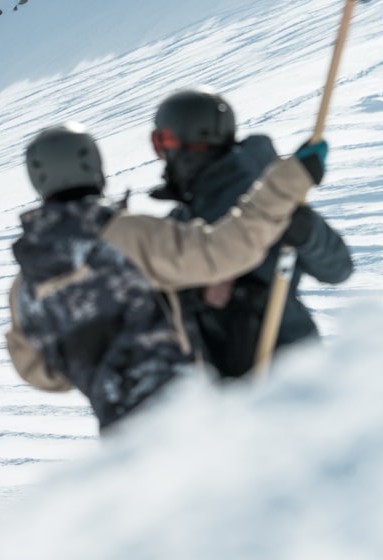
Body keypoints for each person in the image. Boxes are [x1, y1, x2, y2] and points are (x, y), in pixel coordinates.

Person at [5, 121, 327, 432]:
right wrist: (291, 178)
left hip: (125, 445)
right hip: (187, 422)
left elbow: (40, 371)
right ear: (93, 165)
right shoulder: (125, 235)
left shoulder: (26, 284)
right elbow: (226, 250)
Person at [150, 88, 353, 378]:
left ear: (195, 142)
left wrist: (308, 233)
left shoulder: (266, 198)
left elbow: (339, 268)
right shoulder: (183, 217)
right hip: (225, 382)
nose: (163, 155)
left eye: (164, 141)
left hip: (289, 371)